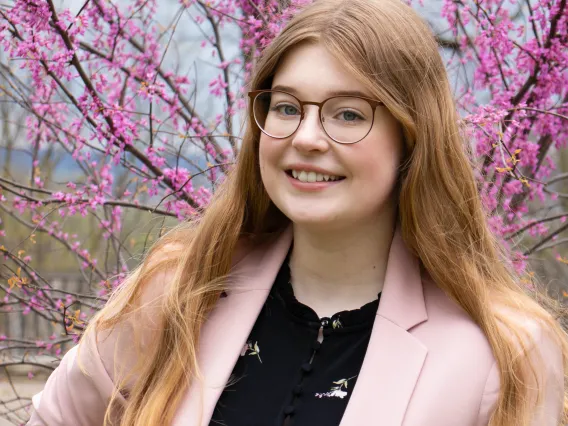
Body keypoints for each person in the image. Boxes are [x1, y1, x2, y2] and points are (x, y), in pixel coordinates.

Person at [27, 0, 567, 425]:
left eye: (348, 114)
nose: (306, 138)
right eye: (286, 107)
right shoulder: (177, 292)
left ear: (412, 137)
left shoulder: (504, 353)